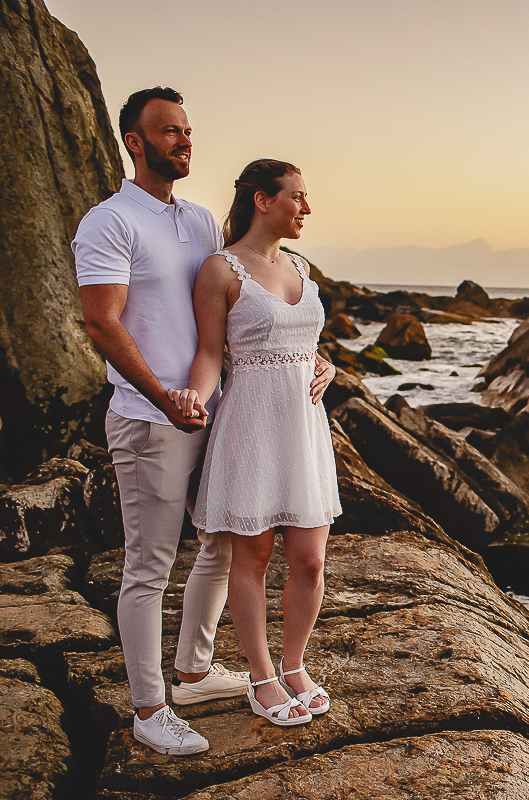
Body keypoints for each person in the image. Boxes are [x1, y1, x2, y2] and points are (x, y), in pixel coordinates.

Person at [73, 88, 335, 754]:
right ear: (135, 142)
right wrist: (165, 396)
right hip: (150, 415)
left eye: (187, 131)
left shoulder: (196, 223)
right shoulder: (108, 221)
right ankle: (149, 709)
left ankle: (192, 669)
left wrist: (312, 356)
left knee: (223, 546)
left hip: (220, 412)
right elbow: (101, 321)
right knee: (149, 565)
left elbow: (248, 308)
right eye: (167, 132)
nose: (183, 141)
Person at [168, 158, 342, 726]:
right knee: (254, 554)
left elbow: (307, 341)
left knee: (310, 560)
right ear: (263, 200)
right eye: (297, 197)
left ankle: (295, 665)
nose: (307, 209)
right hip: (252, 425)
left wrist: (328, 366)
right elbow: (212, 354)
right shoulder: (219, 270)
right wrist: (192, 397)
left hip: (305, 426)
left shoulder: (301, 266)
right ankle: (261, 676)